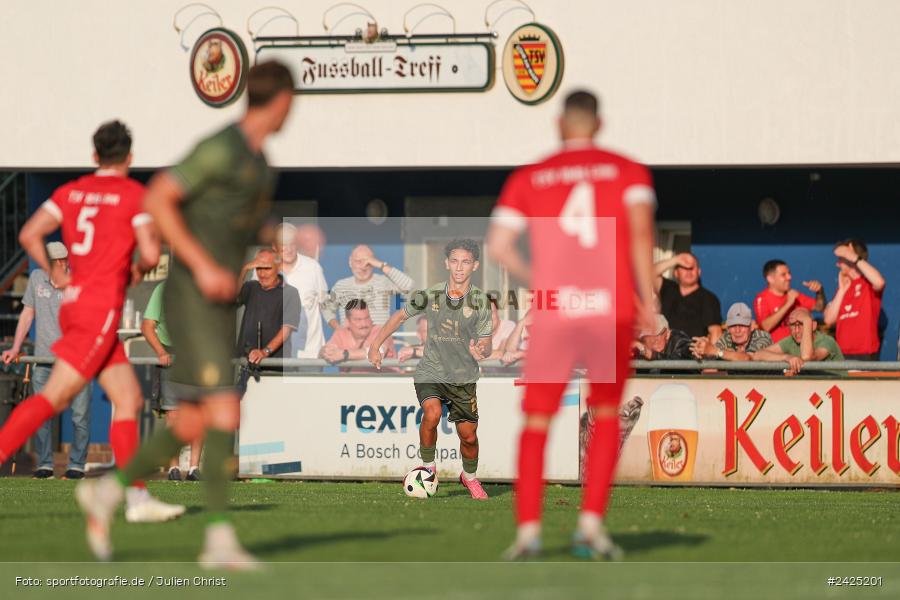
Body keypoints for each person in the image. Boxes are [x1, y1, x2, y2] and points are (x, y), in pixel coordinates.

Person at [76, 61, 295, 568]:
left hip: (218, 299)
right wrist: (201, 264)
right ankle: (218, 541)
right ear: (281, 101)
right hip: (191, 295)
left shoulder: (262, 162)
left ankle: (107, 492)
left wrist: (276, 235)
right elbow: (160, 197)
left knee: (198, 417)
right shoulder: (222, 146)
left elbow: (239, 221)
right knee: (225, 409)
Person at [486, 90, 656, 560]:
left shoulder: (530, 176)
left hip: (556, 310)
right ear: (599, 124)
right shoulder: (628, 171)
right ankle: (590, 528)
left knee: (537, 419)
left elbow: (498, 246)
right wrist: (648, 298)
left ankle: (528, 534)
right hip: (609, 308)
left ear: (559, 124)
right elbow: (641, 233)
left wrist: (539, 279)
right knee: (606, 415)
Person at [0, 120, 184, 523]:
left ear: (94, 155)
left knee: (128, 399)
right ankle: (135, 499)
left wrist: (58, 274)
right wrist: (134, 271)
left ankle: (137, 499)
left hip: (78, 304)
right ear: (130, 157)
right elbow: (151, 253)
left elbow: (29, 234)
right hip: (98, 308)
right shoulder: (133, 196)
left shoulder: (71, 192)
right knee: (54, 398)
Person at [368, 239, 493, 500]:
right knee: (432, 413)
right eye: (455, 261)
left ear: (475, 265)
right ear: (446, 263)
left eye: (466, 262)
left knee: (468, 437)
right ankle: (428, 467)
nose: (459, 267)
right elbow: (400, 316)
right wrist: (375, 345)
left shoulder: (481, 301)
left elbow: (487, 343)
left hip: (463, 377)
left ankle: (469, 477)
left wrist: (484, 348)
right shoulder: (431, 294)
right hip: (431, 371)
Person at [2, 242, 92, 480]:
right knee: (41, 415)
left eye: (64, 259)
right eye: (57, 261)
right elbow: (27, 313)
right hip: (43, 359)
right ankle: (45, 465)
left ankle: (77, 465)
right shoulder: (36, 278)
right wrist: (16, 347)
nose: (62, 263)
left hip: (75, 361)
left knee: (79, 416)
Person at [141, 280, 203, 481]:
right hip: (171, 356)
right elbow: (147, 326)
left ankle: (194, 468)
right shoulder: (163, 289)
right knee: (173, 415)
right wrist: (161, 352)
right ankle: (173, 468)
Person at [236, 248, 301, 394]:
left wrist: (265, 352)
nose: (262, 273)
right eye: (258, 268)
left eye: (267, 268)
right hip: (246, 369)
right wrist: (245, 269)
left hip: (275, 369)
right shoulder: (251, 287)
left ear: (279, 267)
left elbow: (286, 330)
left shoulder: (290, 293)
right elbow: (231, 297)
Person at [263, 223, 328, 359]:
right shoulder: (263, 271)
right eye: (283, 245)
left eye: (292, 243)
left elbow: (326, 306)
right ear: (274, 246)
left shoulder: (313, 268)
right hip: (276, 356)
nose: (288, 249)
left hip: (311, 355)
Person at [323, 244, 414, 328]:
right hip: (349, 340)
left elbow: (408, 285)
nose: (363, 266)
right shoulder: (340, 286)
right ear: (350, 262)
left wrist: (380, 265)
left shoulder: (383, 282)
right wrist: (339, 329)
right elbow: (326, 308)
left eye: (368, 262)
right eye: (358, 261)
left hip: (379, 339)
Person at [823, 239, 885, 360]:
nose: (837, 264)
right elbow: (829, 319)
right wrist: (841, 290)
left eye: (840, 259)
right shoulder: (843, 286)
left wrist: (852, 256)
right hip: (842, 354)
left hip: (865, 353)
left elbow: (880, 282)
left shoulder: (868, 283)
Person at [653, 252, 722, 340]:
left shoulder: (709, 299)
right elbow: (648, 274)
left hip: (693, 348)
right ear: (676, 273)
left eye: (692, 268)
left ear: (699, 272)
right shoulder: (668, 289)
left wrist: (709, 349)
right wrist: (675, 260)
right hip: (665, 348)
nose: (688, 271)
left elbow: (716, 333)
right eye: (684, 268)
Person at [755, 308, 843, 374]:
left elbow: (807, 357)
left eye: (801, 324)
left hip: (838, 389)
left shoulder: (827, 341)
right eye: (793, 325)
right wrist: (786, 357)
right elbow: (758, 355)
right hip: (813, 389)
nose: (796, 331)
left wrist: (807, 320)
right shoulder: (791, 341)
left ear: (813, 326)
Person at [754, 259, 825, 342]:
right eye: (783, 275)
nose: (789, 277)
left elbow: (819, 308)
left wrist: (819, 292)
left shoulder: (793, 294)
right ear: (770, 279)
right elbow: (766, 326)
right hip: (775, 348)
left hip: (798, 347)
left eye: (789, 273)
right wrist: (788, 303)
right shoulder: (762, 298)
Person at [319, 299, 395, 369]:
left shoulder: (382, 331)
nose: (364, 324)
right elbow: (326, 351)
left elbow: (378, 352)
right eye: (358, 320)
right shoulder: (341, 334)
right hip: (351, 379)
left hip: (385, 378)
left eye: (367, 318)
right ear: (347, 322)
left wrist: (345, 354)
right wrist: (325, 352)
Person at [692, 302, 773, 361]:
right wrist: (702, 351)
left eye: (742, 325)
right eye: (733, 325)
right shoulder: (727, 337)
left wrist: (715, 351)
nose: (737, 330)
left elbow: (747, 359)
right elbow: (713, 356)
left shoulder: (763, 337)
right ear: (728, 328)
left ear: (751, 327)